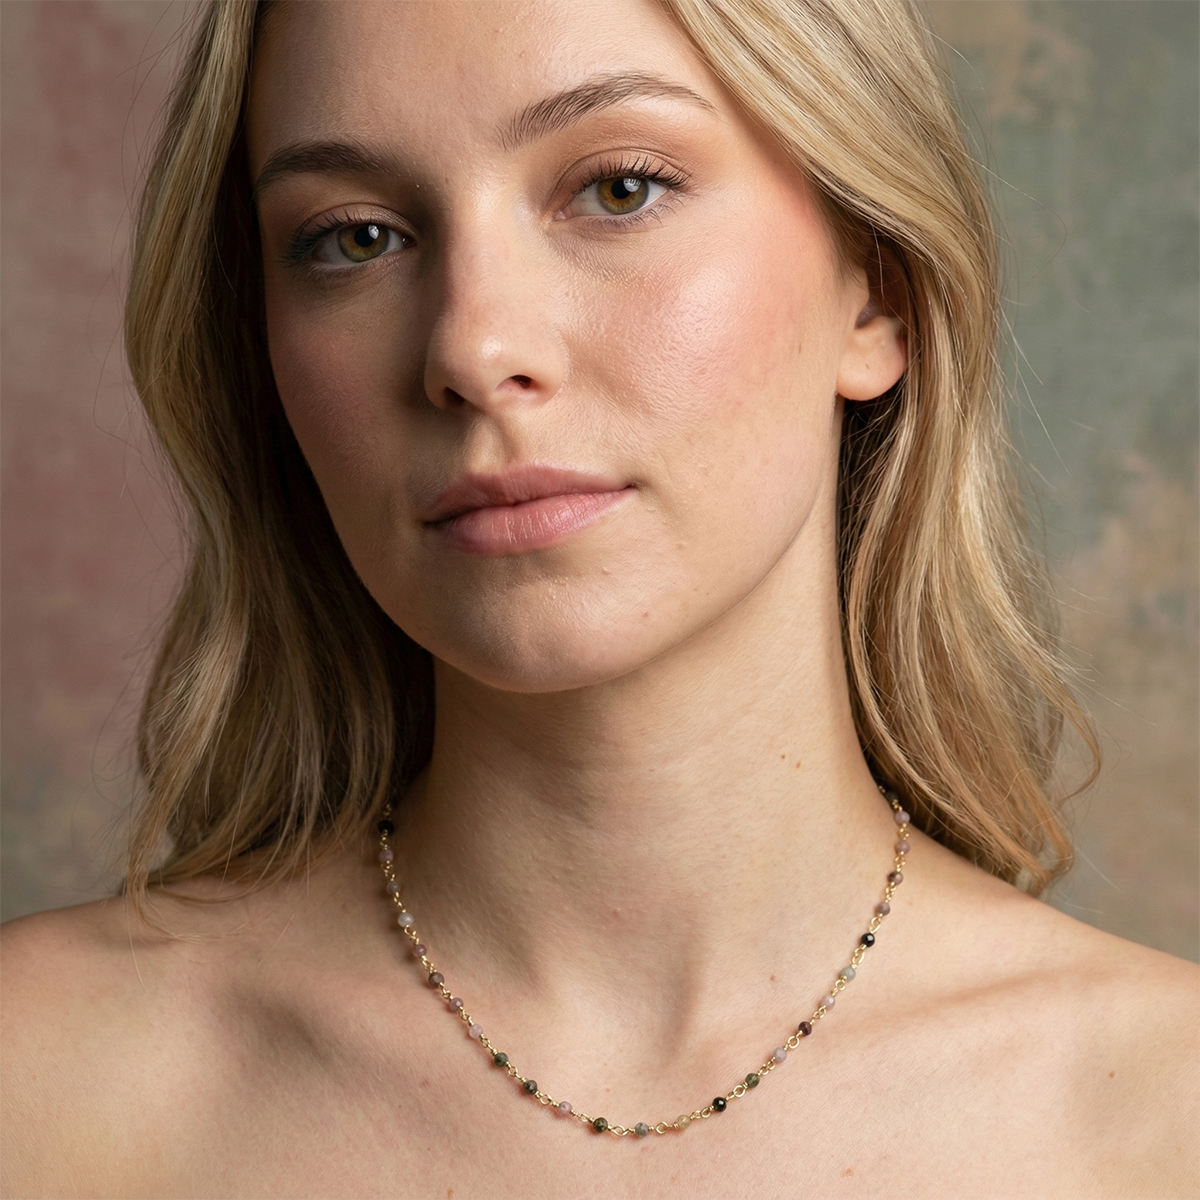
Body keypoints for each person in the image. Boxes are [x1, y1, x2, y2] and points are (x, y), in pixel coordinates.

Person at [1, 0, 1196, 1194]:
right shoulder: (42, 1081)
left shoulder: (1162, 1114)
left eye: (618, 188)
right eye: (355, 237)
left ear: (873, 294)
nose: (472, 346)